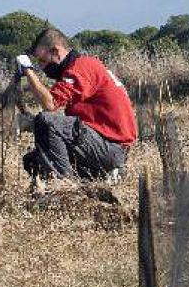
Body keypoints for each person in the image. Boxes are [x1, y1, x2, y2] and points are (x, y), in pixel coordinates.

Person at [16, 27, 136, 183]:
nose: (42, 67)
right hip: (101, 145)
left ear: (56, 52)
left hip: (111, 148)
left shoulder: (81, 67)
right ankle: (90, 180)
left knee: (47, 120)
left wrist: (28, 71)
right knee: (33, 161)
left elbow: (50, 104)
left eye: (43, 61)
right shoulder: (83, 66)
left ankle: (62, 188)